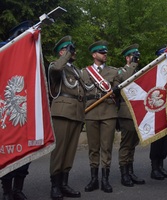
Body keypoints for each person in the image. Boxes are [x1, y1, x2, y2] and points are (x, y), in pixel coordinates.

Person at [82, 41, 121, 193]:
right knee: (93, 148)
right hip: (90, 112)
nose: (105, 55)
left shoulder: (113, 71)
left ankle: (105, 179)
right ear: (94, 55)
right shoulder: (84, 72)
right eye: (101, 53)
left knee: (106, 147)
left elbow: (119, 89)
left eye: (105, 53)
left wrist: (117, 90)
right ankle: (94, 179)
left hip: (109, 112)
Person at [0, 21, 33, 200]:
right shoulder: (5, 49)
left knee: (25, 152)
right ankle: (6, 190)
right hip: (5, 111)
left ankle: (18, 189)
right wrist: (13, 44)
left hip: (26, 111)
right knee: (7, 150)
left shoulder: (30, 57)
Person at [48, 36, 84, 200]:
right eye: (70, 49)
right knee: (60, 150)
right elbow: (56, 69)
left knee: (69, 151)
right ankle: (55, 185)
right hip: (62, 112)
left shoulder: (76, 70)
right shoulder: (56, 65)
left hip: (76, 113)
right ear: (63, 51)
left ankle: (64, 183)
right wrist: (66, 55)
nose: (74, 52)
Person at [117, 44, 145, 186]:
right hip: (126, 112)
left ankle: (130, 171)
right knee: (126, 144)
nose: (136, 60)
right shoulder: (121, 71)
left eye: (137, 57)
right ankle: (124, 174)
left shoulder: (138, 71)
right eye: (133, 57)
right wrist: (132, 64)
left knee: (133, 144)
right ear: (127, 58)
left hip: (137, 112)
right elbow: (125, 81)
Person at [149, 46, 167, 180]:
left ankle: (161, 165)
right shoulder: (154, 72)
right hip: (157, 112)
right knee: (158, 141)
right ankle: (154, 168)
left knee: (166, 140)